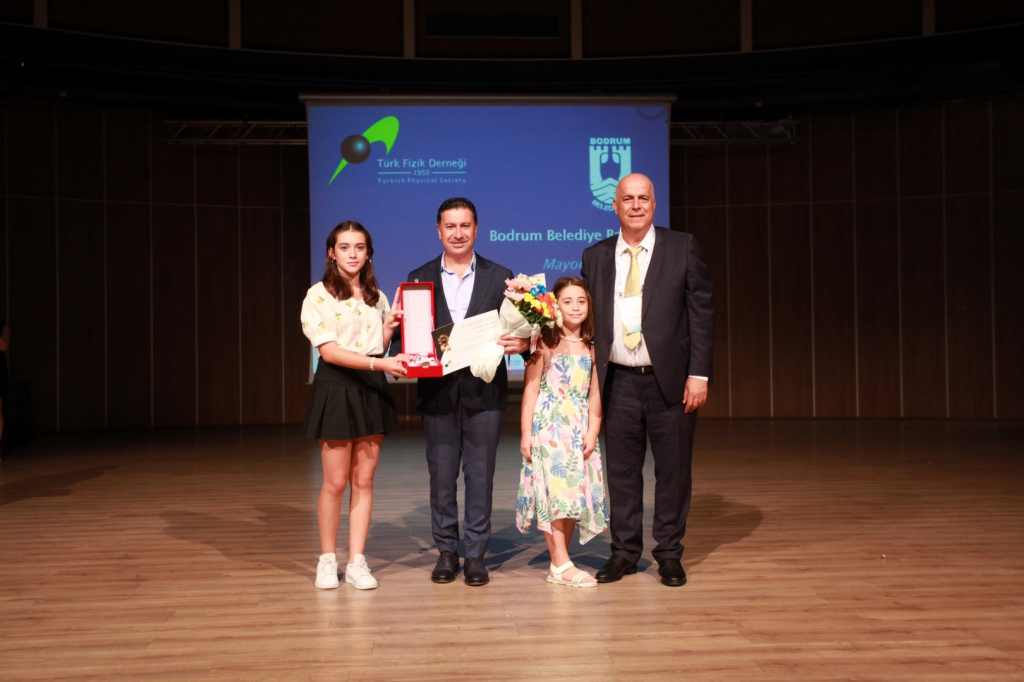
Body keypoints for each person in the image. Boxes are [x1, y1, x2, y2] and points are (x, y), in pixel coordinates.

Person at [580, 173, 714, 587]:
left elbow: (701, 313)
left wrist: (698, 374)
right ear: (615, 206)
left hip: (670, 381)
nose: (636, 206)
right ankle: (624, 552)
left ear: (654, 204)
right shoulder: (596, 255)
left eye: (643, 199)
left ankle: (669, 554)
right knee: (621, 473)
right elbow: (584, 318)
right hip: (617, 381)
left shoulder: (682, 247)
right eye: (628, 199)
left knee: (673, 472)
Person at [394, 197, 529, 586]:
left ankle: (475, 555)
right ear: (438, 231)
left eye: (465, 225)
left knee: (480, 476)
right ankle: (446, 551)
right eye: (450, 226)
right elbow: (409, 336)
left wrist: (523, 344)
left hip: (484, 393)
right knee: (441, 477)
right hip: (437, 394)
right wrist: (405, 349)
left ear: (476, 229)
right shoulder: (418, 277)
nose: (458, 233)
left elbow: (521, 332)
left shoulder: (501, 276)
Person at [301, 221, 409, 590]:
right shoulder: (318, 295)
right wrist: (380, 364)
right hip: (336, 387)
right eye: (344, 247)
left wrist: (389, 328)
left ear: (368, 253)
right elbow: (330, 352)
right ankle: (327, 560)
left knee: (363, 480)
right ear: (331, 253)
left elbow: (376, 346)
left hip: (370, 387)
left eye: (359, 247)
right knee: (335, 481)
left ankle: (357, 561)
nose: (352, 254)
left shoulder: (377, 296)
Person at [516, 277, 608, 587]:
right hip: (549, 427)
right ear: (555, 306)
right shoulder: (544, 343)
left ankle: (560, 564)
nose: (575, 307)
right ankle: (561, 563)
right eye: (567, 301)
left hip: (578, 428)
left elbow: (595, 395)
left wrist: (593, 432)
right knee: (553, 493)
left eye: (581, 301)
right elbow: (531, 391)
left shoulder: (592, 348)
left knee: (571, 495)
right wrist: (526, 433)